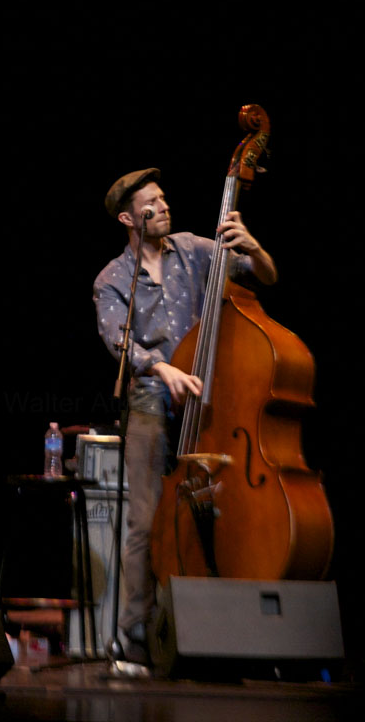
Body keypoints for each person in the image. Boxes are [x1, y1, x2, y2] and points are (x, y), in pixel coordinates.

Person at [92, 167, 277, 664]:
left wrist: (254, 247)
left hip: (209, 396)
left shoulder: (195, 247)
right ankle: (134, 638)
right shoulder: (111, 278)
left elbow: (265, 276)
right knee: (145, 520)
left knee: (219, 510)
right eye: (151, 203)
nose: (164, 206)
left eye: (164, 197)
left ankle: (228, 623)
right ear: (130, 218)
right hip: (152, 399)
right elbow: (119, 341)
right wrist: (162, 367)